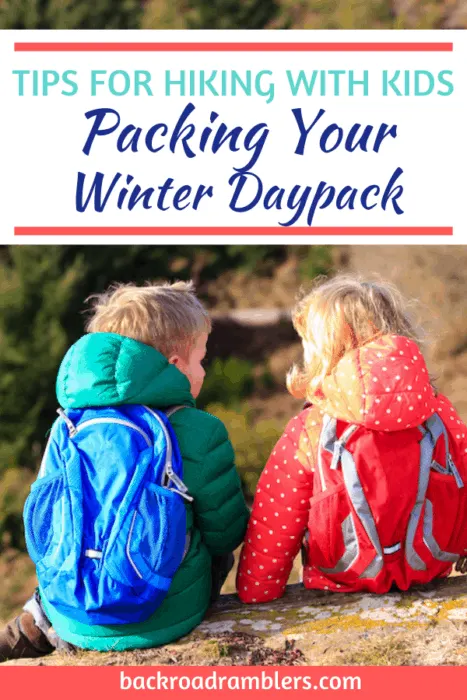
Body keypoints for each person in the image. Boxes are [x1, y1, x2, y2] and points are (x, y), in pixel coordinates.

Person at [0, 281, 249, 661]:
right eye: (201, 359)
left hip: (72, 611)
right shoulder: (198, 429)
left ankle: (33, 625)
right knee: (211, 545)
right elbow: (224, 533)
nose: (202, 370)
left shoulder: (66, 426)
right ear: (175, 365)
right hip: (162, 613)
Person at [237, 275, 467, 603]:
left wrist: (256, 594)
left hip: (340, 583)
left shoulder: (312, 426)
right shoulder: (438, 411)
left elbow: (275, 521)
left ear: (322, 350)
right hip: (429, 571)